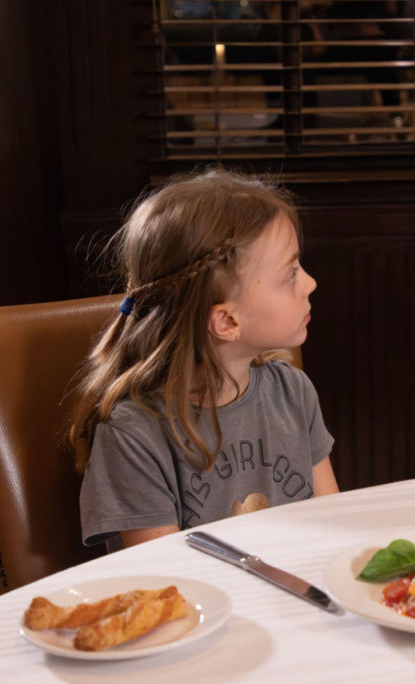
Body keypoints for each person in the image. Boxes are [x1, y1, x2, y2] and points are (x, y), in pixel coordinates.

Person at [69, 168, 338, 548]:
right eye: (290, 274)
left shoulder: (294, 393)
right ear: (227, 321)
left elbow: (332, 531)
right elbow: (163, 586)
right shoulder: (133, 435)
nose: (310, 283)